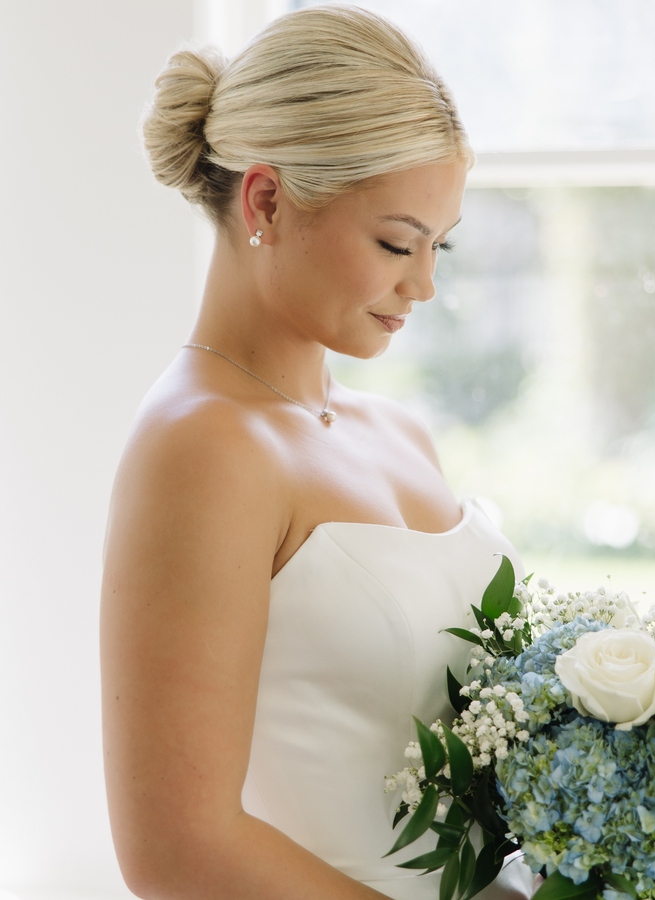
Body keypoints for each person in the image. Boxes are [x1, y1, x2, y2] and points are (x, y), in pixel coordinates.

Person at [100, 6, 534, 899]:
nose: (423, 284)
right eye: (394, 243)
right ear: (264, 200)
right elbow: (178, 849)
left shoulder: (398, 432)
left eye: (438, 246)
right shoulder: (203, 446)